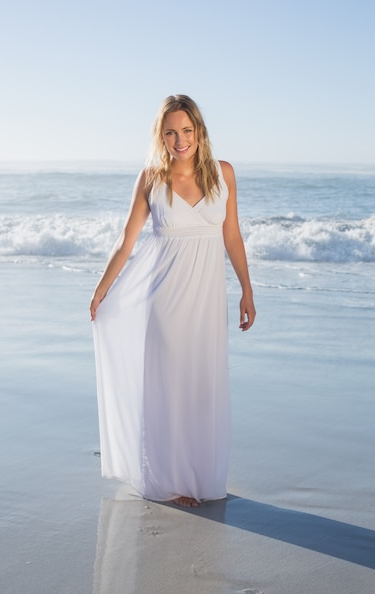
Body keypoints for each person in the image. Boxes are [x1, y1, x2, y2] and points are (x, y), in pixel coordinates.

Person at [90, 95, 256, 508]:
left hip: (207, 303)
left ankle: (199, 475)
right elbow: (126, 241)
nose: (179, 140)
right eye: (170, 132)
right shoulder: (151, 179)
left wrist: (246, 290)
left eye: (186, 130)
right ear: (160, 137)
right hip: (163, 304)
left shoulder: (224, 174)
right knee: (171, 389)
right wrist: (101, 290)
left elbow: (232, 237)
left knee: (201, 387)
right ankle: (173, 481)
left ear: (198, 131)